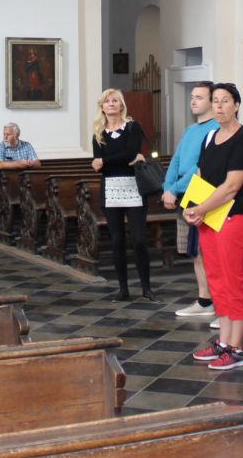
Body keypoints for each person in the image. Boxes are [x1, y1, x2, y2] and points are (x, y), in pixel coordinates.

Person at [186, 83, 243, 370]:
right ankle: (224, 342)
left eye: (225, 101)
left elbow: (231, 186)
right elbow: (201, 175)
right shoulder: (209, 137)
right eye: (215, 100)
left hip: (233, 218)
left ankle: (237, 348)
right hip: (210, 218)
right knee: (216, 281)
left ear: (236, 105)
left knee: (234, 281)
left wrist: (201, 208)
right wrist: (193, 207)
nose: (219, 106)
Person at [162, 81, 219, 320]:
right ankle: (204, 299)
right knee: (195, 251)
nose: (193, 101)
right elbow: (176, 160)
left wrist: (175, 188)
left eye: (199, 97)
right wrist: (168, 188)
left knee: (207, 251)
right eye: (192, 97)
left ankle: (216, 301)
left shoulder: (216, 128)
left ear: (212, 101)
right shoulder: (190, 130)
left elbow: (200, 167)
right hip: (184, 193)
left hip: (201, 192)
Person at [91, 88, 150, 302]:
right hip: (111, 190)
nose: (111, 104)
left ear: (121, 105)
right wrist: (122, 160)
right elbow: (104, 164)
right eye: (107, 101)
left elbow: (130, 153)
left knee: (139, 239)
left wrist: (105, 160)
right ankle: (123, 289)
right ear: (102, 107)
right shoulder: (98, 134)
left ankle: (146, 288)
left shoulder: (133, 127)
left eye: (115, 100)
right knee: (117, 241)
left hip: (134, 188)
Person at [0, 123, 39, 203]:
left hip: (21, 182)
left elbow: (37, 163)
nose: (5, 137)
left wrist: (29, 163)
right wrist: (19, 164)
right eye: (4, 134)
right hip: (0, 182)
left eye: (8, 134)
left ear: (17, 135)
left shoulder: (27, 145)